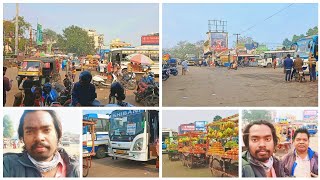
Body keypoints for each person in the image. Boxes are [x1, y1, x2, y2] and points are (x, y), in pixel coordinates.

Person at [3, 110, 79, 177]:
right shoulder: (7, 166)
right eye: (30, 131)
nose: (39, 138)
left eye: (46, 130)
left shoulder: (76, 169)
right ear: (22, 137)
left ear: (58, 134)